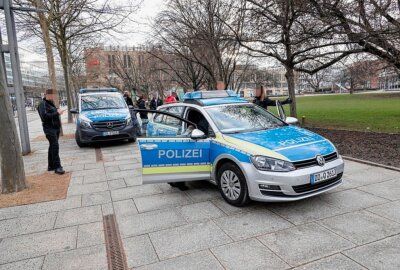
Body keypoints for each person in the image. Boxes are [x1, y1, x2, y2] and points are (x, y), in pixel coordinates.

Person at [38, 90, 65, 175]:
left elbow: (52, 113)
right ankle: (57, 167)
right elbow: (44, 117)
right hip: (49, 129)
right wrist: (57, 112)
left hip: (55, 128)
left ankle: (51, 166)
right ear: (47, 95)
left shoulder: (50, 103)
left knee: (52, 147)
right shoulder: (43, 104)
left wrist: (57, 110)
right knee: (55, 146)